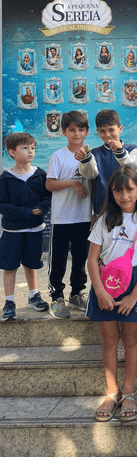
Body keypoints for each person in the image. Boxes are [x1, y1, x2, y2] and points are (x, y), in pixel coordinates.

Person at [86, 167, 137, 423]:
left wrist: (134, 296)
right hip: (105, 283)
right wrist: (99, 291)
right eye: (118, 191)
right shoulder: (104, 220)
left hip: (133, 285)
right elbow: (92, 259)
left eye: (130, 189)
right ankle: (111, 392)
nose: (124, 195)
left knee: (131, 339)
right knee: (109, 340)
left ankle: (128, 392)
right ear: (112, 193)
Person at [46, 111, 92, 319]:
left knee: (81, 258)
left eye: (81, 129)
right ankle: (56, 297)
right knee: (58, 259)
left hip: (84, 217)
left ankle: (76, 294)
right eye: (72, 130)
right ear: (63, 131)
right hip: (62, 218)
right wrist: (73, 183)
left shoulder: (91, 156)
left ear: (87, 131)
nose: (76, 133)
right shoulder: (59, 156)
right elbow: (50, 184)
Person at [0, 133, 51, 321]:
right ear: (12, 152)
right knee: (10, 267)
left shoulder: (40, 174)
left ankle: (33, 295)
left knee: (31, 264)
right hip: (12, 231)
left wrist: (41, 208)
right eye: (25, 148)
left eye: (32, 148)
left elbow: (47, 197)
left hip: (35, 230)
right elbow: (3, 205)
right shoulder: (5, 178)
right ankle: (9, 302)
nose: (30, 151)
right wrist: (27, 212)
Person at [75, 109, 137, 217]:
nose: (107, 134)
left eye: (111, 130)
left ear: (120, 129)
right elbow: (90, 174)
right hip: (103, 208)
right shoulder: (95, 153)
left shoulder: (132, 149)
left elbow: (134, 167)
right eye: (102, 131)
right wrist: (85, 160)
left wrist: (120, 152)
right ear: (97, 131)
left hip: (129, 207)